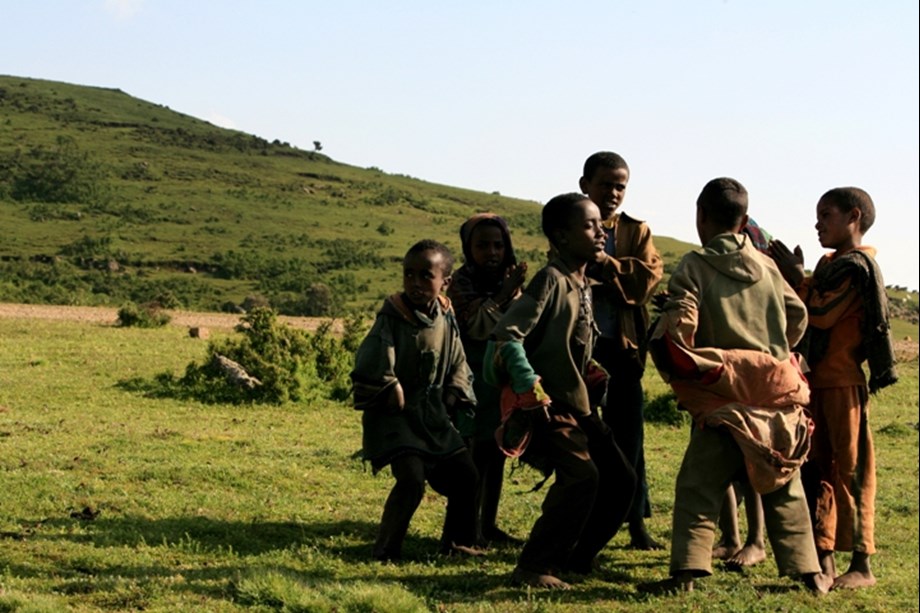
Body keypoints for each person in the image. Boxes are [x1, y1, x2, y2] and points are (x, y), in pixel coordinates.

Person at [640, 178, 831, 594]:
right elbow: (797, 316)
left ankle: (686, 575)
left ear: (700, 216)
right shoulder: (767, 267)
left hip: (724, 398)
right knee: (784, 485)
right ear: (744, 221)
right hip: (775, 400)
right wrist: (772, 346)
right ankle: (810, 576)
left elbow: (681, 325)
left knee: (699, 485)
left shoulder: (695, 265)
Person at [484, 193, 637, 589]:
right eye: (589, 225)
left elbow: (565, 342)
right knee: (582, 476)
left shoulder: (582, 280)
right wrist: (528, 384)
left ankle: (575, 559)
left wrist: (590, 370)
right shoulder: (551, 278)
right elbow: (506, 337)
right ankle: (533, 566)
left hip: (578, 402)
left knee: (621, 479)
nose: (600, 230)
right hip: (549, 405)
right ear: (560, 236)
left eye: (600, 224)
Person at [770, 187, 898, 589]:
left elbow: (821, 314)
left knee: (851, 472)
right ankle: (822, 558)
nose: (817, 224)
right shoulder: (830, 265)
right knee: (815, 468)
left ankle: (862, 564)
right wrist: (802, 278)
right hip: (815, 383)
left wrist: (795, 279)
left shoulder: (858, 267)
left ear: (853, 217)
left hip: (843, 384)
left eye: (826, 215)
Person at [350, 239, 483, 561]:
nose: (416, 283)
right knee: (411, 480)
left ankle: (457, 543)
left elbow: (458, 359)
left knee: (467, 476)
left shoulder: (446, 315)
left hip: (434, 416)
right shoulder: (393, 315)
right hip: (397, 417)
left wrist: (455, 387)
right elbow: (371, 359)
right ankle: (385, 550)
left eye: (426, 276)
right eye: (409, 275)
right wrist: (389, 384)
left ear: (445, 282)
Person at [579, 151, 664, 549]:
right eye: (605, 184)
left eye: (620, 186)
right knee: (586, 435)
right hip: (583, 349)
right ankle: (589, 514)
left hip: (624, 347)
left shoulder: (636, 231)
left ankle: (634, 521)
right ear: (586, 186)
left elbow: (646, 281)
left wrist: (607, 265)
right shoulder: (572, 222)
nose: (613, 193)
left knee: (630, 438)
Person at [447, 213, 528, 545]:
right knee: (474, 453)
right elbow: (479, 325)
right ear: (469, 248)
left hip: (500, 376)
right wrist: (505, 294)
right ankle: (470, 528)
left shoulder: (509, 282)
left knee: (496, 451)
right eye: (482, 246)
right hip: (471, 375)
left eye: (498, 245)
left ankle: (488, 524)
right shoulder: (461, 283)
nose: (492, 252)